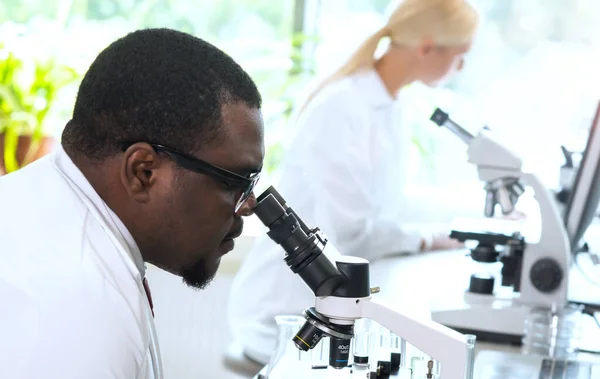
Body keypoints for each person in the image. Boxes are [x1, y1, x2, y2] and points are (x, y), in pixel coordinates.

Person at [0, 28, 264, 379]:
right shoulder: (81, 314)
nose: (248, 204)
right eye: (235, 182)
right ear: (143, 172)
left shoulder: (39, 197)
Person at [228, 0, 479, 365]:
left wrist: (469, 218)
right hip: (285, 312)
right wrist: (426, 240)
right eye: (460, 55)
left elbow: (394, 202)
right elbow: (354, 232)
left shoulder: (390, 104)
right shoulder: (343, 107)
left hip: (327, 305)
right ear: (426, 47)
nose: (462, 67)